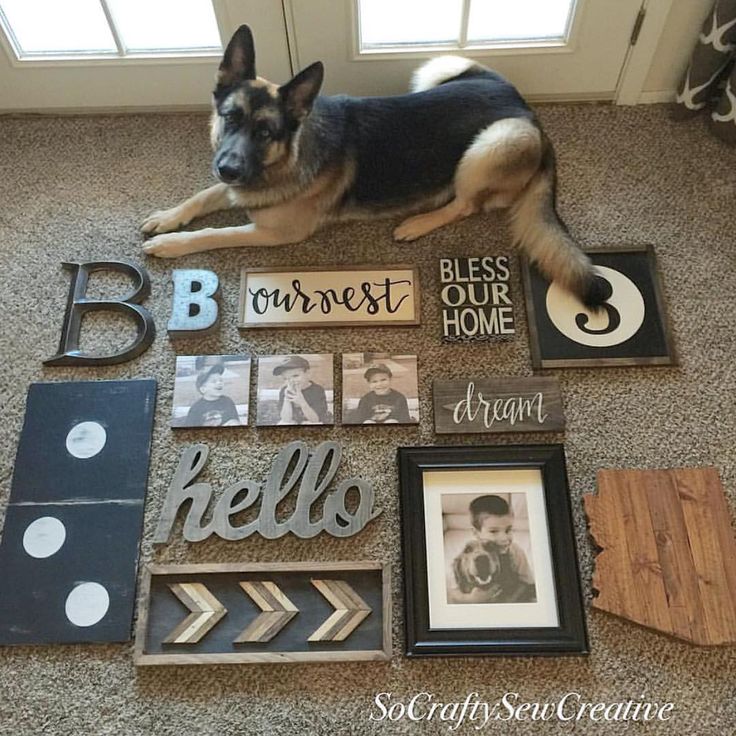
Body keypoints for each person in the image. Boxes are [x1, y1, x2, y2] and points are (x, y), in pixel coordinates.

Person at [452, 494, 536, 604]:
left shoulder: (516, 552)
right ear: (476, 533)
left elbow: (527, 584)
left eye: (508, 530)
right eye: (493, 531)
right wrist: (470, 599)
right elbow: (454, 590)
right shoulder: (465, 552)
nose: (504, 538)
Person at [274, 355, 330, 425]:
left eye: (295, 376)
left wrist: (302, 402)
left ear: (308, 373)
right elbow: (286, 419)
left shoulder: (317, 390)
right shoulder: (284, 390)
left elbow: (315, 420)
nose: (291, 381)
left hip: (311, 421)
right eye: (286, 378)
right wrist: (287, 399)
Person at [185, 361, 242, 427]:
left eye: (220, 380)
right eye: (214, 381)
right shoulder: (196, 408)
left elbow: (236, 422)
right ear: (203, 389)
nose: (219, 383)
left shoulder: (228, 402)